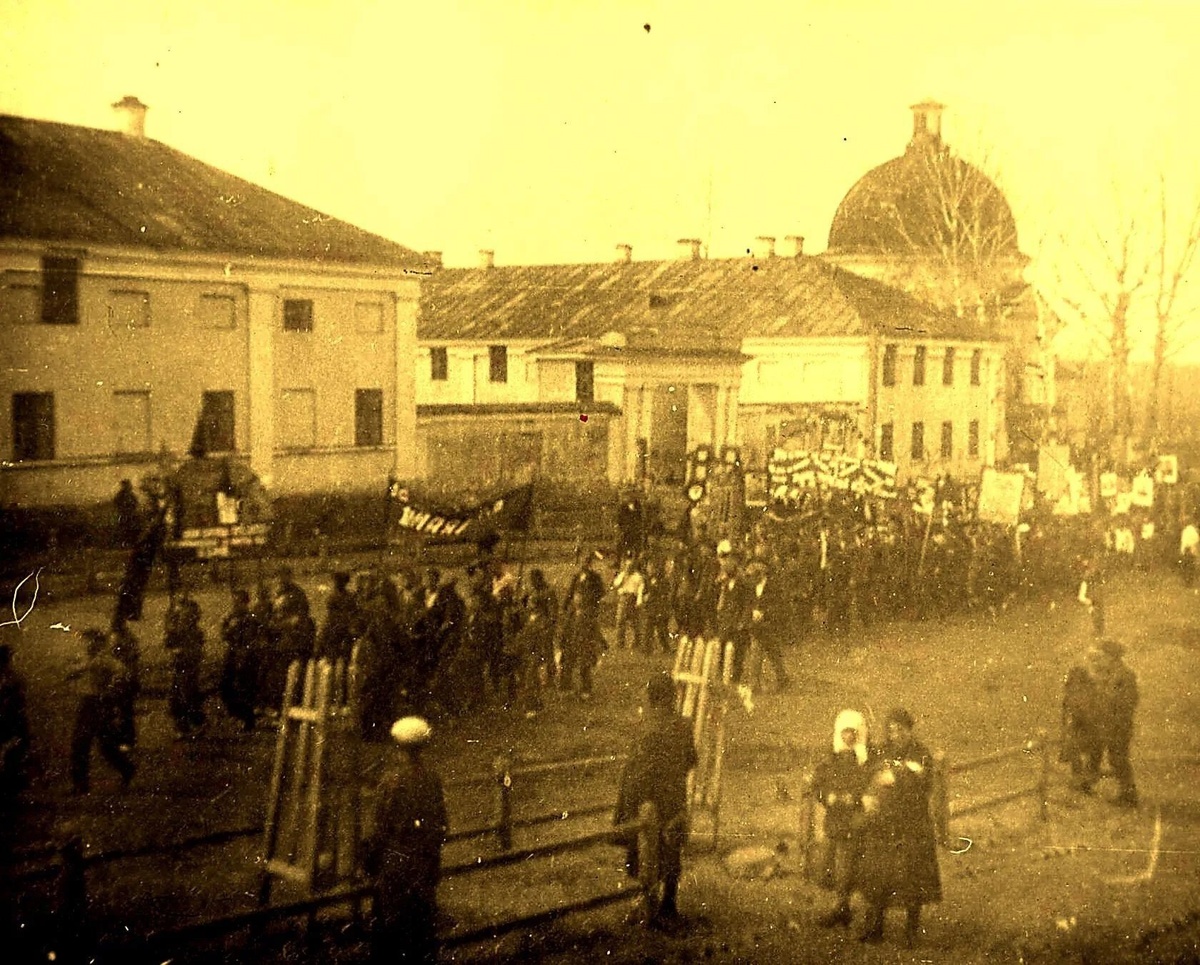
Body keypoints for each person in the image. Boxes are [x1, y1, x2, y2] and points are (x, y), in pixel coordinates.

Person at [614, 673, 698, 928]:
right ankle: (668, 906)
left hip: (648, 799)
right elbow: (691, 760)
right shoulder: (684, 725)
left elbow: (636, 770)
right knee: (672, 851)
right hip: (674, 797)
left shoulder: (645, 728)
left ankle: (648, 903)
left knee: (647, 851)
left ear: (653, 698)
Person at [363, 716, 448, 965]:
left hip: (395, 865)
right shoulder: (432, 779)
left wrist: (369, 861)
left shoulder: (391, 782)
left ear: (398, 748)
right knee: (420, 930)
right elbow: (441, 824)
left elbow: (379, 827)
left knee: (391, 930)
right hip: (423, 863)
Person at [857, 708, 942, 946]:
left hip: (912, 823)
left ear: (910, 730)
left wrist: (897, 776)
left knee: (912, 876)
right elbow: (868, 775)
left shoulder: (920, 753)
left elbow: (925, 783)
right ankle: (876, 927)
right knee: (880, 873)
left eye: (901, 730)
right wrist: (868, 794)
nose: (896, 734)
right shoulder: (881, 751)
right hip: (884, 823)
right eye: (892, 730)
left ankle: (911, 930)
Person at [810, 709, 873, 928]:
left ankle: (844, 907)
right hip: (835, 818)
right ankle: (841, 905)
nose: (849, 737)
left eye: (853, 732)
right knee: (832, 862)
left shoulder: (864, 758)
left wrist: (853, 798)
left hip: (856, 818)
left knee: (848, 862)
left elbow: (868, 784)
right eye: (845, 732)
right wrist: (827, 796)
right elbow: (818, 784)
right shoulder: (831, 757)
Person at [68, 630, 136, 794]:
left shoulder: (104, 660)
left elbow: (122, 672)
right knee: (95, 743)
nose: (86, 645)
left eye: (90, 641)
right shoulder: (92, 658)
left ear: (98, 643)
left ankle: (82, 783)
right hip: (91, 702)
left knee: (89, 743)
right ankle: (124, 768)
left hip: (98, 702)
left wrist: (111, 687)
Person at [1086, 639, 1140, 807]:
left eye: (1104, 656)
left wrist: (1111, 707)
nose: (1101, 660)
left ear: (1112, 657)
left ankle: (1129, 795)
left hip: (1119, 725)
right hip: (1110, 724)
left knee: (1118, 759)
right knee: (1113, 758)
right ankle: (1125, 793)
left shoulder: (1125, 675)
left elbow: (1129, 701)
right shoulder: (1111, 674)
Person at [558, 549, 606, 699]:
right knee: (568, 655)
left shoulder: (595, 578)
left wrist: (589, 601)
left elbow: (601, 593)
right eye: (582, 561)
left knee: (585, 656)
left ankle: (586, 689)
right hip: (574, 617)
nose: (584, 564)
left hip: (586, 614)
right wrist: (566, 607)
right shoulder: (577, 577)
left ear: (591, 563)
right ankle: (566, 687)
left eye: (587, 561)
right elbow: (570, 593)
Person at [164, 584, 207, 737]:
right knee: (176, 696)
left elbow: (196, 650)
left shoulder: (195, 632)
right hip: (178, 665)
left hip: (189, 665)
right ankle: (182, 726)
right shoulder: (175, 629)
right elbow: (169, 643)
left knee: (188, 694)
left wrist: (183, 651)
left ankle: (197, 722)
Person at [220, 588, 262, 732]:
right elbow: (223, 634)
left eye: (239, 602)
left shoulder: (251, 618)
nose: (236, 605)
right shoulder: (229, 617)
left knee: (245, 688)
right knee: (225, 686)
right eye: (235, 602)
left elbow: (253, 638)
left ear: (246, 603)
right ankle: (236, 714)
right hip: (232, 654)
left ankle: (247, 720)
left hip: (246, 656)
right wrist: (229, 627)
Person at [0, 645, 30, 802]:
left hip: (11, 720)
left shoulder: (11, 677)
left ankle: (9, 787)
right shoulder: (12, 677)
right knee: (13, 754)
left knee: (12, 754)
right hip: (12, 720)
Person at [315, 571, 359, 664]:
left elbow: (330, 613)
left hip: (335, 625)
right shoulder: (350, 596)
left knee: (322, 641)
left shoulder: (333, 596)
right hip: (345, 625)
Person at [612, 554, 646, 652]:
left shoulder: (638, 577)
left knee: (634, 622)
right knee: (620, 621)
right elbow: (615, 584)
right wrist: (623, 577)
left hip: (632, 598)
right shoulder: (622, 575)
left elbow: (640, 589)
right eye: (626, 566)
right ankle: (620, 643)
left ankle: (637, 642)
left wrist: (639, 600)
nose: (628, 568)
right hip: (623, 598)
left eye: (630, 566)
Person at [113, 479, 143, 549]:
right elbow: (116, 503)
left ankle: (132, 543)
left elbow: (135, 503)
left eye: (128, 486)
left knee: (132, 528)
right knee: (123, 529)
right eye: (126, 486)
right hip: (124, 514)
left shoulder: (131, 495)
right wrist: (122, 509)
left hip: (130, 514)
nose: (128, 487)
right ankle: (124, 544)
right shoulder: (120, 495)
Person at [1180, 520, 1199, 588]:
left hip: (1189, 549)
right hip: (1190, 549)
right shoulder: (1190, 530)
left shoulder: (1188, 530)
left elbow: (1184, 542)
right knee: (1189, 566)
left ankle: (1188, 582)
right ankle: (1189, 581)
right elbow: (1197, 539)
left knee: (1188, 566)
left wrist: (1182, 550)